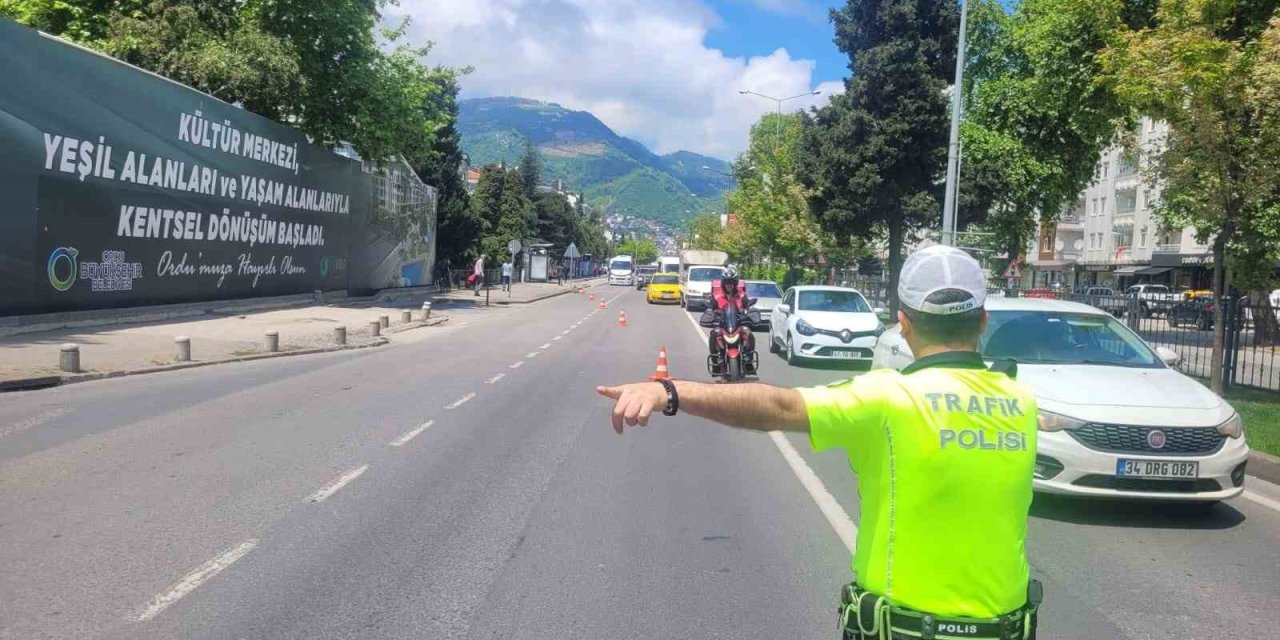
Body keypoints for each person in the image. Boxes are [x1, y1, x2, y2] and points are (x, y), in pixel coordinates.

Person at [597, 246, 1041, 639]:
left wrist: (670, 392)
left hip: (904, 630)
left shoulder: (889, 397)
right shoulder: (1021, 400)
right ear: (983, 320)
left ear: (903, 324)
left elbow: (779, 406)